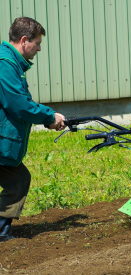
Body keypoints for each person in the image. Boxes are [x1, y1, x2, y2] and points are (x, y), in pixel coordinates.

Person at [0, 17, 66, 242]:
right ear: (24, 40)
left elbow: (21, 105)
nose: (39, 48)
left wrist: (47, 119)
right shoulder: (5, 64)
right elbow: (18, 105)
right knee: (17, 179)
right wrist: (49, 116)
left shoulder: (12, 63)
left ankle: (2, 231)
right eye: (37, 43)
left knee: (17, 179)